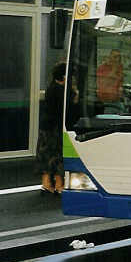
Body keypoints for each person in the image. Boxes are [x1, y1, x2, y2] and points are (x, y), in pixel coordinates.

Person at [37, 63, 77, 194]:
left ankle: (46, 183)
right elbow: (70, 106)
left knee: (46, 154)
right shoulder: (62, 91)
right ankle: (59, 184)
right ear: (64, 76)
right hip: (56, 127)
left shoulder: (51, 88)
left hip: (46, 126)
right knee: (58, 154)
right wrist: (73, 91)